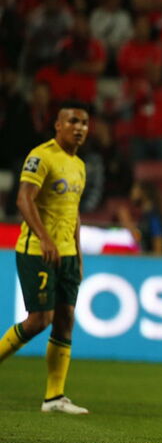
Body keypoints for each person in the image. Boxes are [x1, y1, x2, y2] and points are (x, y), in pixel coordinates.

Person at [0, 105, 90, 414]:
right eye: (73, 121)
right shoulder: (42, 156)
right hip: (37, 251)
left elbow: (73, 212)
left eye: (84, 123)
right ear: (58, 126)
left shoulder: (79, 165)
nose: (79, 127)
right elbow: (24, 198)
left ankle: (54, 397)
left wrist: (77, 252)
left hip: (66, 254)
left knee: (65, 320)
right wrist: (45, 238)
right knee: (40, 320)